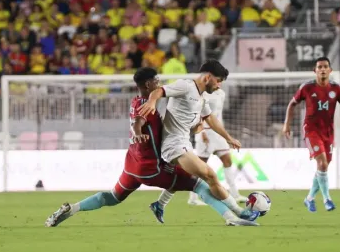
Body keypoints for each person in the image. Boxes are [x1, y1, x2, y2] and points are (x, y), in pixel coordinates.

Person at [44, 67, 258, 227]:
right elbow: (139, 121)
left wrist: (194, 125)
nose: (159, 82)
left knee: (112, 197)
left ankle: (71, 209)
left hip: (132, 165)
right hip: (151, 167)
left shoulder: (138, 101)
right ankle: (233, 217)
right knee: (198, 184)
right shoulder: (147, 106)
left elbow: (143, 118)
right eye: (156, 80)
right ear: (148, 85)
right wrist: (138, 132)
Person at [138, 60, 248, 222]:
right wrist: (152, 102)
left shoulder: (202, 96)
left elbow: (210, 119)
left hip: (184, 142)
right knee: (209, 176)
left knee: (182, 179)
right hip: (173, 144)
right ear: (208, 77)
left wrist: (229, 138)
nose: (218, 86)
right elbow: (159, 91)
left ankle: (159, 204)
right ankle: (238, 212)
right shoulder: (185, 86)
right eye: (218, 81)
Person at [282, 57, 340, 212]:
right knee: (322, 163)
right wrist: (287, 124)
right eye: (319, 67)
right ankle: (327, 199)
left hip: (328, 132)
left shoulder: (336, 89)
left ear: (330, 70)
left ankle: (309, 199)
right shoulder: (307, 88)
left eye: (325, 66)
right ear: (315, 71)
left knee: (323, 168)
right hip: (311, 131)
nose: (322, 69)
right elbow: (292, 104)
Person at [184, 88, 248, 205]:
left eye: (221, 80)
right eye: (217, 79)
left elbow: (217, 115)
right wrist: (201, 132)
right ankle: (192, 198)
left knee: (227, 161)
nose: (219, 82)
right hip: (205, 134)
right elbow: (198, 113)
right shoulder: (202, 94)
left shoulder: (221, 93)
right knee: (200, 167)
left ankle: (234, 193)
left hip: (217, 134)